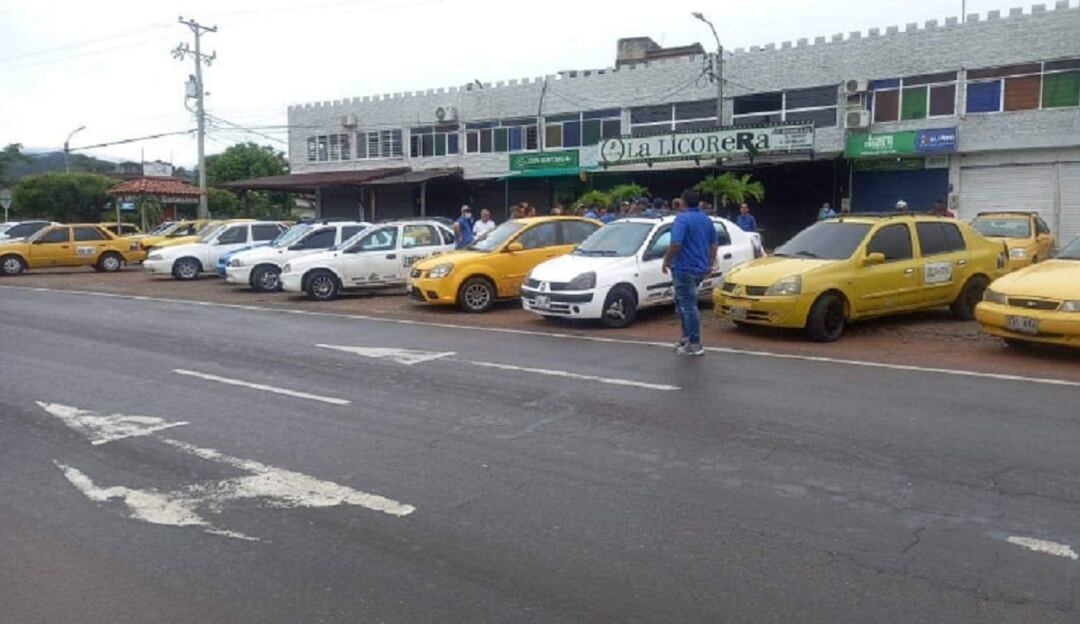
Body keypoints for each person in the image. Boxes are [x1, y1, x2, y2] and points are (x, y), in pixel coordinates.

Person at [662, 189, 718, 357]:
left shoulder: (682, 219)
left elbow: (676, 243)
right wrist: (709, 264)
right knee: (682, 302)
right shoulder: (706, 220)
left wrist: (666, 259)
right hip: (699, 267)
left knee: (687, 305)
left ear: (683, 202)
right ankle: (686, 338)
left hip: (684, 267)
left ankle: (694, 343)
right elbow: (714, 244)